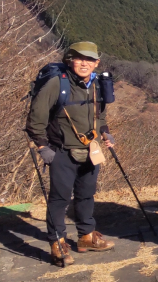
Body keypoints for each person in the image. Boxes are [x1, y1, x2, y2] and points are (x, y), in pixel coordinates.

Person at [27, 41, 116, 266]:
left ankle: (86, 236)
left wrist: (105, 133)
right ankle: (57, 243)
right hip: (61, 151)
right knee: (60, 198)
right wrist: (42, 146)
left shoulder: (96, 85)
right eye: (79, 58)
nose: (84, 63)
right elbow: (35, 119)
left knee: (87, 194)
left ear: (97, 63)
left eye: (89, 59)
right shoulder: (57, 84)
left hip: (90, 149)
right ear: (70, 60)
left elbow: (99, 115)